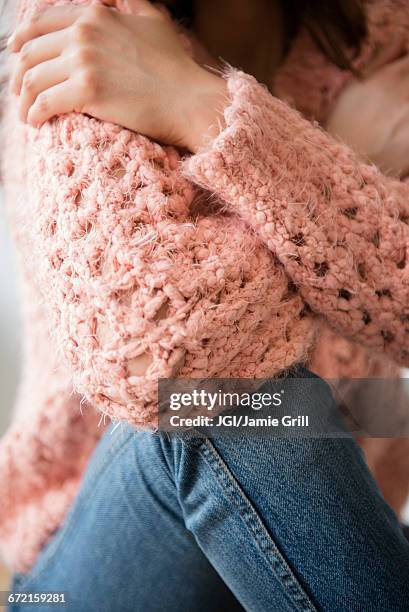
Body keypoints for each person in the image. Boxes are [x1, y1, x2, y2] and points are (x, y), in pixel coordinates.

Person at [1, 0, 409, 610]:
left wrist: (197, 106)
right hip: (97, 568)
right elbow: (159, 351)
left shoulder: (385, 27)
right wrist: (349, 158)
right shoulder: (85, 30)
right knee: (220, 407)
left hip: (326, 542)